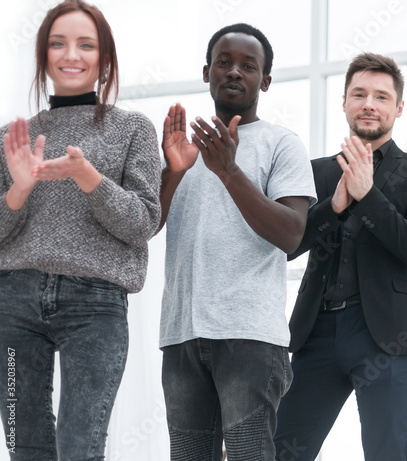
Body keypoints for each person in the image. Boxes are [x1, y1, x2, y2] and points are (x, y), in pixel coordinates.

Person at [0, 1, 160, 459]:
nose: (71, 55)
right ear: (43, 55)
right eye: (58, 43)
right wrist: (20, 189)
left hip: (96, 306)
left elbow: (142, 224)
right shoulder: (12, 137)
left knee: (80, 446)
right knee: (24, 447)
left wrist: (87, 176)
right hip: (13, 303)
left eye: (86, 45)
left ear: (104, 58)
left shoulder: (133, 129)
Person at [158, 23, 316, 460]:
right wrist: (172, 171)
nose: (234, 72)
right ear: (207, 71)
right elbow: (146, 224)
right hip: (181, 334)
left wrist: (229, 171)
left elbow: (291, 233)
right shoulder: (185, 150)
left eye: (248, 66)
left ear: (264, 81)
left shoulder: (282, 143)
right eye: (224, 62)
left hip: (250, 338)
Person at [274, 52, 407, 461]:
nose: (370, 103)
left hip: (383, 334)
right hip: (315, 332)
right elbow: (290, 244)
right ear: (345, 102)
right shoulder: (316, 170)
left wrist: (368, 195)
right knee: (282, 452)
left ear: (398, 108)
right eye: (360, 94)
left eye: (382, 97)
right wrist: (333, 206)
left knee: (387, 454)